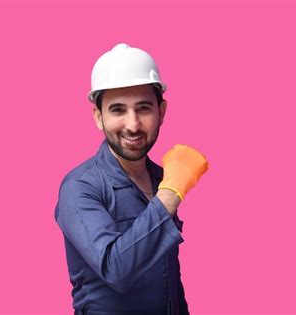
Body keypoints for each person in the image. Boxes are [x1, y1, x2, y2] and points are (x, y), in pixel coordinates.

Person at [55, 43, 209, 315]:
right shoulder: (79, 188)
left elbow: (170, 281)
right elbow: (117, 271)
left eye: (143, 108)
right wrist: (170, 195)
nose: (133, 124)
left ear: (161, 112)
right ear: (98, 117)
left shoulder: (162, 178)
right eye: (117, 110)